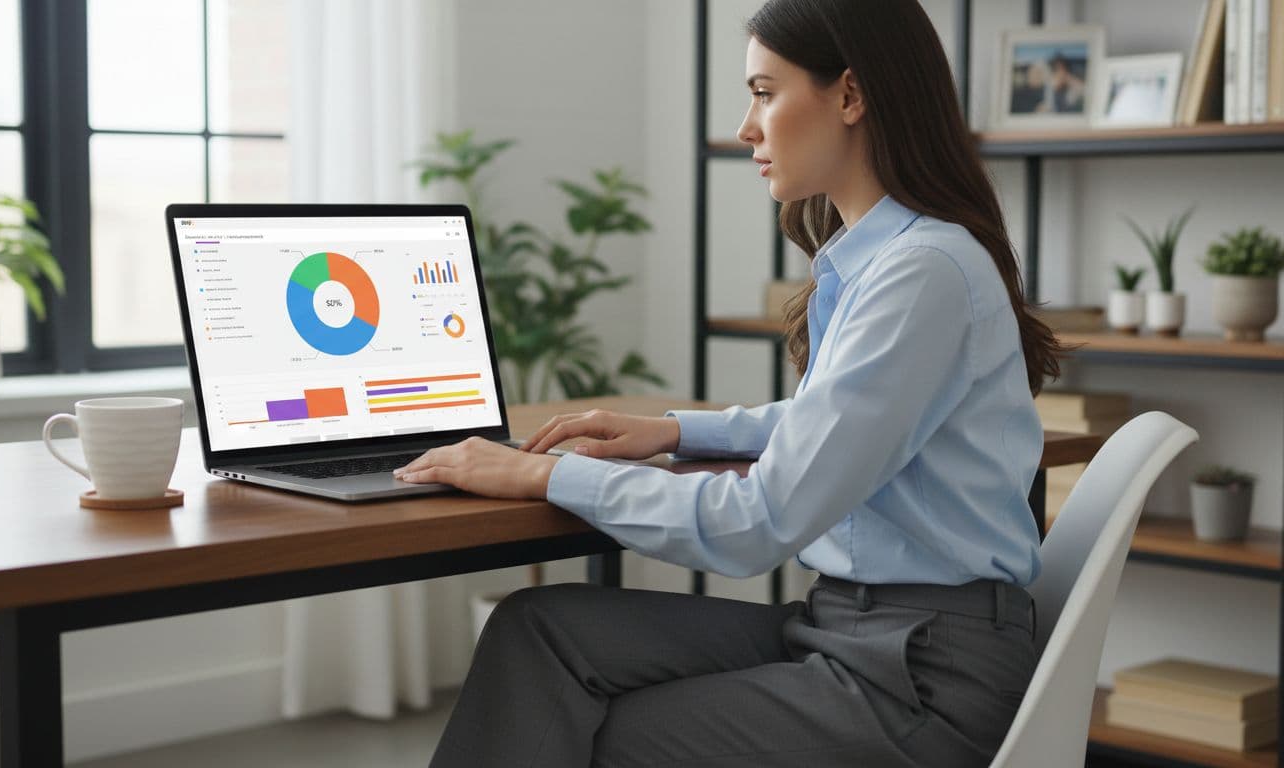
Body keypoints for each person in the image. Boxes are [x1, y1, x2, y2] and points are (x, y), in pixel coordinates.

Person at [398, 0, 1068, 765]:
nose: (747, 127)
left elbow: (761, 520)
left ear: (850, 96)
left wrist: (546, 473)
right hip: (858, 629)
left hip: (918, 680)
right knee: (537, 631)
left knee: (606, 732)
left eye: (763, 91)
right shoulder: (892, 260)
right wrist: (679, 431)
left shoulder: (923, 273)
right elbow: (836, 424)